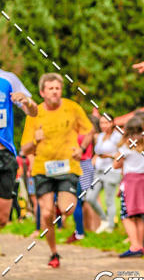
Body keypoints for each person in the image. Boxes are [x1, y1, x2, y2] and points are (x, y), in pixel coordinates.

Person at [0, 25, 37, 280]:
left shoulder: (8, 79)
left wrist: (26, 102)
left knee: (1, 217)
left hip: (5, 156)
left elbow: (34, 111)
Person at [21, 73, 93, 268]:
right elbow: (25, 148)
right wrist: (35, 140)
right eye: (50, 88)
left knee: (68, 208)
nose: (55, 91)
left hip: (67, 166)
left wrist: (81, 148)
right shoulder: (34, 114)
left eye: (57, 88)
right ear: (42, 92)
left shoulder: (72, 108)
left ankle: (59, 208)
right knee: (46, 215)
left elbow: (89, 130)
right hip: (42, 169)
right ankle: (54, 253)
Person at [114, 113, 144, 257]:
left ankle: (134, 245)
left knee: (127, 215)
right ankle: (141, 246)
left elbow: (115, 165)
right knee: (139, 214)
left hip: (130, 181)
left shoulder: (125, 149)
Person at [86, 115, 122, 232]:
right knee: (90, 197)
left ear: (112, 123)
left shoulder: (117, 137)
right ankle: (104, 219)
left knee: (109, 200)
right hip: (98, 171)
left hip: (111, 171)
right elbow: (97, 153)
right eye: (101, 123)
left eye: (106, 123)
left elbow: (121, 155)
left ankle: (110, 227)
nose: (103, 125)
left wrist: (109, 156)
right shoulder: (100, 136)